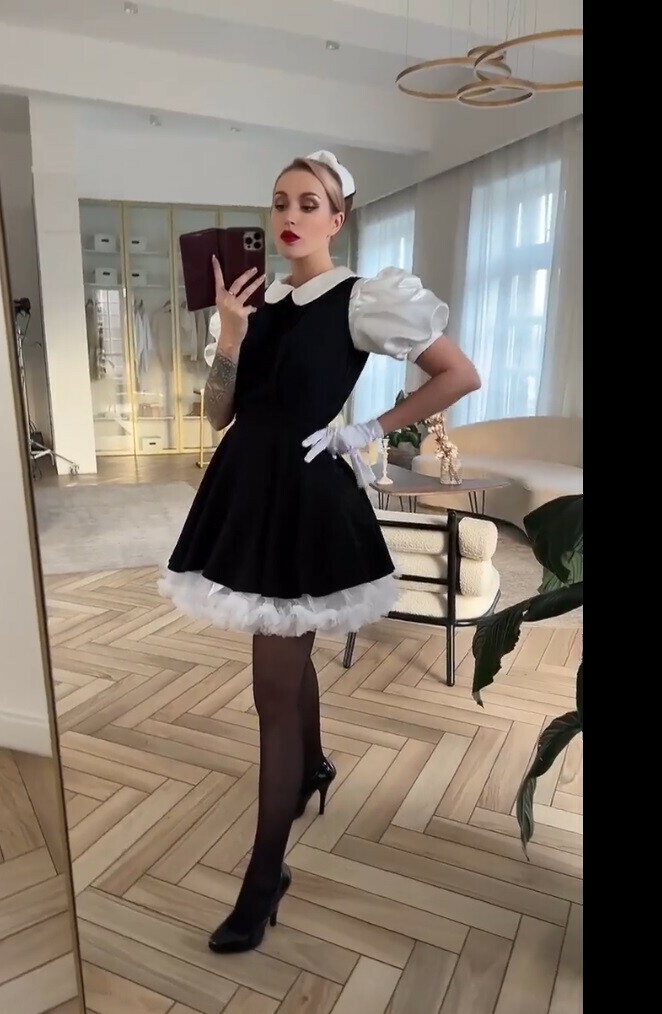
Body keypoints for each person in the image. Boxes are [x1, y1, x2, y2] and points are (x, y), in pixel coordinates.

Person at [159, 150, 482, 953]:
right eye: (280, 202)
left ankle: (265, 876)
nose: (290, 216)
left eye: (310, 203)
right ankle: (311, 767)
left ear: (338, 219)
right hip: (244, 495)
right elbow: (218, 415)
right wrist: (230, 335)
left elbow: (458, 374)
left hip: (305, 502)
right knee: (284, 656)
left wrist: (368, 429)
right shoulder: (254, 301)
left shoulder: (362, 299)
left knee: (271, 689)